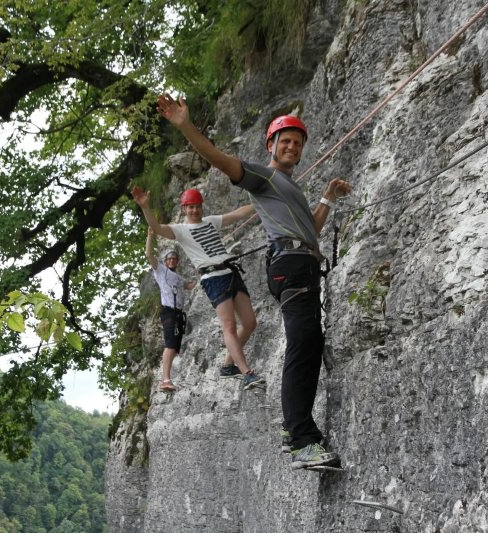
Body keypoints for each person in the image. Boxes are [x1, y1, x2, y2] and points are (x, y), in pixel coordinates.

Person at [156, 93, 351, 469]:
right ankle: (300, 438)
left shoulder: (288, 188)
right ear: (271, 145)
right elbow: (219, 159)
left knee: (308, 341)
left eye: (298, 142)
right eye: (286, 141)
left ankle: (295, 431)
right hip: (291, 264)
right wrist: (185, 127)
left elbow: (310, 230)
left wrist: (326, 197)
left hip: (300, 259)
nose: (292, 146)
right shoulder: (264, 177)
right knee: (303, 343)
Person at [132, 185, 265, 390]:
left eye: (197, 206)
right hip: (212, 278)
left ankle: (228, 366)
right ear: (184, 208)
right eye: (190, 207)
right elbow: (157, 228)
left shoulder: (211, 222)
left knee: (249, 322)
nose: (195, 210)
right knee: (228, 325)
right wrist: (145, 207)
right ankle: (247, 373)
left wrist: (259, 202)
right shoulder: (181, 231)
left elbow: (237, 214)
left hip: (230, 272)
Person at [145, 227, 196, 392]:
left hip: (178, 314)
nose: (172, 261)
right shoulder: (160, 271)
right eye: (169, 259)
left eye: (175, 259)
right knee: (170, 344)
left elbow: (189, 286)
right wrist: (150, 237)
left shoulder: (178, 277)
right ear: (165, 261)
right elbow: (148, 255)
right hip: (168, 311)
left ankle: (167, 377)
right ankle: (165, 379)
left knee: (174, 346)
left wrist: (201, 271)